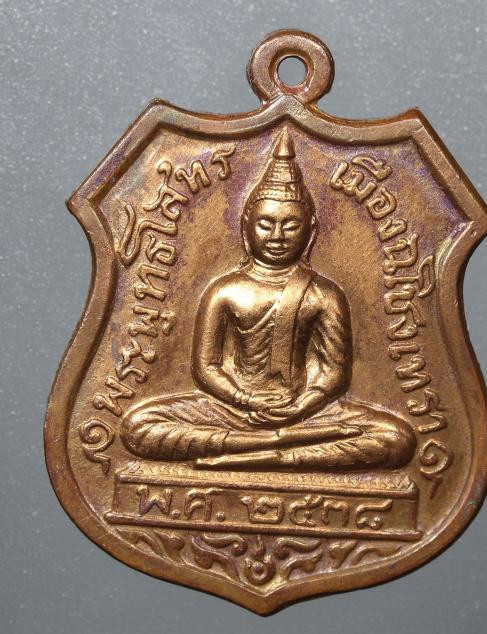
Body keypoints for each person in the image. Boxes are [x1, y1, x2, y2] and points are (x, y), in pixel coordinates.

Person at [120, 129, 415, 471]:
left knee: (396, 438)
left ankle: (272, 452)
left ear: (310, 230)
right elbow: (206, 368)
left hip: (306, 414)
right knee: (138, 426)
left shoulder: (323, 294)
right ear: (246, 226)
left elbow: (333, 373)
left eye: (290, 226)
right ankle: (269, 445)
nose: (277, 236)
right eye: (266, 224)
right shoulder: (225, 290)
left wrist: (302, 405)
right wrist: (244, 399)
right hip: (230, 411)